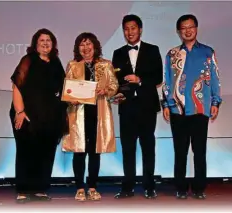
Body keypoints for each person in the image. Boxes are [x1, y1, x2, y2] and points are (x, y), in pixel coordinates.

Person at [161, 14, 222, 199]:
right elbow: (167, 81)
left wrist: (215, 102)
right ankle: (180, 187)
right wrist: (166, 103)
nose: (187, 30)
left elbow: (215, 79)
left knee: (199, 151)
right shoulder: (172, 54)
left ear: (196, 28)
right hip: (177, 108)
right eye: (183, 28)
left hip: (200, 108)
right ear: (179, 31)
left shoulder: (207, 52)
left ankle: (199, 188)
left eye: (191, 27)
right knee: (180, 151)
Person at [9, 28, 68, 203]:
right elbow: (16, 86)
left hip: (50, 117)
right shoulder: (28, 60)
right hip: (27, 115)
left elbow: (64, 89)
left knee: (46, 152)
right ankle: (23, 190)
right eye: (41, 40)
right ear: (35, 43)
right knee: (26, 151)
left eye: (48, 40)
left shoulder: (56, 62)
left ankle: (40, 189)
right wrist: (19, 111)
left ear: (53, 43)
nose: (45, 43)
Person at [61, 32, 119, 201]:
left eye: (88, 44)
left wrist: (105, 91)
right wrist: (72, 99)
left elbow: (114, 86)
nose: (85, 48)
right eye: (82, 45)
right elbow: (67, 89)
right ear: (77, 48)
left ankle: (92, 187)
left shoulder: (106, 64)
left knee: (95, 152)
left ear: (95, 46)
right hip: (78, 114)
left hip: (98, 112)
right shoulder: (72, 65)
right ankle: (79, 187)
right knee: (79, 151)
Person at [112, 14, 163, 199]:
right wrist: (116, 92)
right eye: (126, 28)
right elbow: (116, 81)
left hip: (147, 106)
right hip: (126, 107)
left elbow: (158, 77)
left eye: (133, 28)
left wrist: (139, 80)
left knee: (148, 147)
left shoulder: (152, 49)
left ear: (140, 29)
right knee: (127, 148)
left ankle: (149, 186)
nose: (129, 32)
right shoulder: (117, 53)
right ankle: (127, 187)